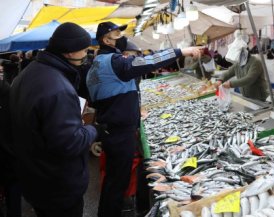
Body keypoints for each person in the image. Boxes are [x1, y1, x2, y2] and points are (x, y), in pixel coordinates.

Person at [86, 21, 201, 217]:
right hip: (119, 132)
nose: (121, 38)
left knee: (114, 180)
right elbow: (148, 61)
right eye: (116, 35)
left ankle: (108, 211)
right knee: (117, 182)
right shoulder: (114, 62)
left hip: (111, 129)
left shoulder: (95, 65)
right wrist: (181, 51)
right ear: (106, 40)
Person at [9, 22, 102, 217]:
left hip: (35, 176)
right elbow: (70, 143)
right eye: (84, 49)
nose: (87, 53)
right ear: (69, 52)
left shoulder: (27, 74)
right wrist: (92, 128)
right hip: (57, 185)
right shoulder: (57, 87)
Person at [0, 78, 21, 217]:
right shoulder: (7, 89)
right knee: (13, 189)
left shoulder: (7, 89)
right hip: (9, 153)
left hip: (8, 153)